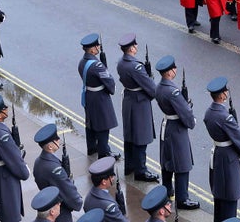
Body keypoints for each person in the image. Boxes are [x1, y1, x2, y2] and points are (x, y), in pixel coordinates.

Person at [153, 56, 199, 210]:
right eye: (174, 69)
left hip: (166, 125)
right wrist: (190, 115)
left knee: (167, 162)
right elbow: (186, 114)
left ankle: (166, 192)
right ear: (170, 72)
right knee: (182, 163)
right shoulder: (172, 91)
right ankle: (182, 198)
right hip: (176, 128)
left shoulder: (160, 87)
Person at [203, 76, 240, 222]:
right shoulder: (225, 117)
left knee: (219, 200)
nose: (227, 93)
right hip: (228, 158)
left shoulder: (209, 113)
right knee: (229, 200)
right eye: (225, 91)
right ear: (222, 95)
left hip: (217, 155)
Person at [116, 34, 159, 180]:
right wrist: (149, 75)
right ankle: (141, 170)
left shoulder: (121, 63)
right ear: (132, 48)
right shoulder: (136, 66)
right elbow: (152, 89)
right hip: (139, 102)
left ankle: (129, 166)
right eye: (135, 45)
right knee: (141, 137)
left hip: (129, 99)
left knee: (130, 136)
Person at [0, 95, 29, 222]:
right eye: (4, 108)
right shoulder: (1, 135)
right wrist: (25, 171)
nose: (7, 109)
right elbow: (14, 158)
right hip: (6, 175)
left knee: (4, 207)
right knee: (11, 212)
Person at [78, 33, 118, 158]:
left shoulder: (82, 62)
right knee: (103, 126)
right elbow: (110, 82)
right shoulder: (97, 65)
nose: (98, 48)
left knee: (91, 123)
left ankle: (92, 147)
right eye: (96, 46)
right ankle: (104, 151)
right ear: (91, 49)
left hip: (89, 95)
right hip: (99, 98)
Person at [33, 123, 82, 222]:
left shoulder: (38, 162)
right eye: (56, 139)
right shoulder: (54, 169)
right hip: (60, 211)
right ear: (50, 146)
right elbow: (66, 188)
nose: (58, 140)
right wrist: (78, 200)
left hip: (48, 205)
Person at [83, 157, 126, 222]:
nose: (113, 179)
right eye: (111, 177)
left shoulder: (88, 198)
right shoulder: (109, 206)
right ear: (104, 181)